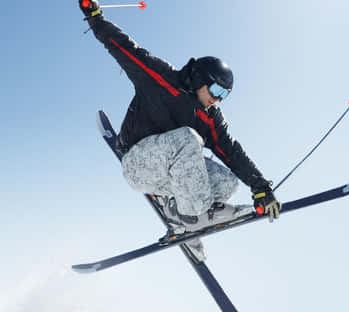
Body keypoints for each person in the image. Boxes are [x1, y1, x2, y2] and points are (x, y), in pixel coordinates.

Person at [78, 0, 281, 262]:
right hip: (137, 164)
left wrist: (261, 187)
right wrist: (95, 16)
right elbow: (124, 48)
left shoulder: (210, 117)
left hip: (171, 176)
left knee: (227, 182)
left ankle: (180, 215)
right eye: (217, 91)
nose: (217, 100)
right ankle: (193, 217)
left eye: (225, 96)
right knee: (188, 138)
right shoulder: (162, 79)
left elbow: (230, 149)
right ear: (200, 80)